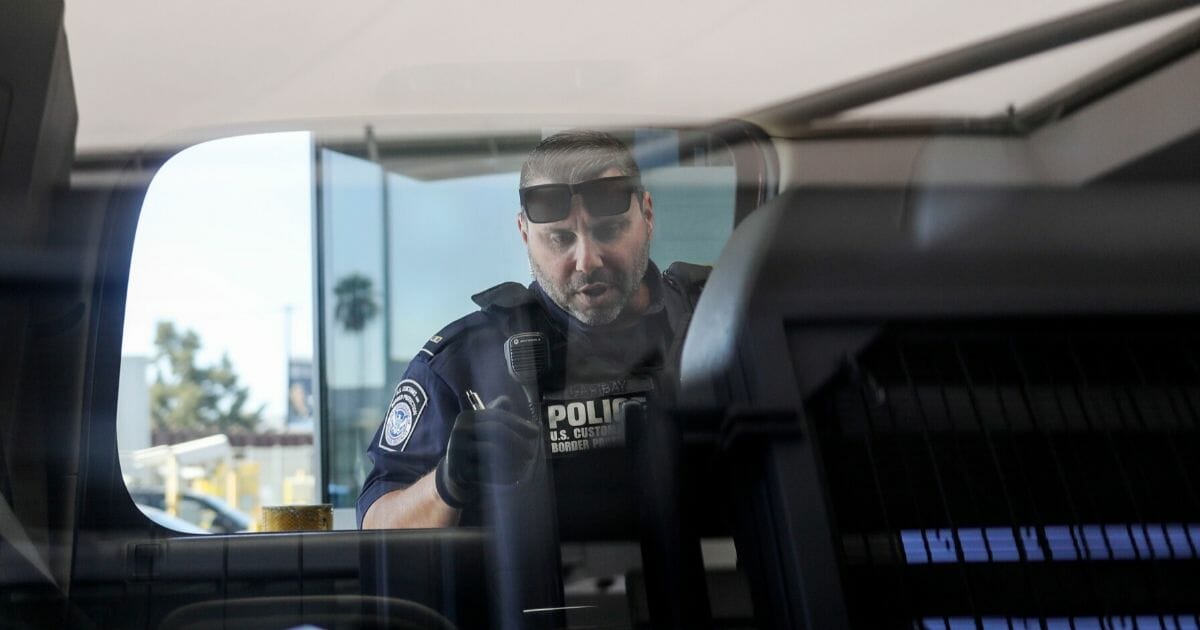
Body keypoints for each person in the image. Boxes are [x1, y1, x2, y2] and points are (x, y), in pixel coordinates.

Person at [357, 130, 708, 530]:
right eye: (560, 238)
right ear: (524, 232)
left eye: (608, 231)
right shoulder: (463, 365)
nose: (586, 261)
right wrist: (446, 483)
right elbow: (375, 528)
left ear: (647, 214)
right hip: (539, 590)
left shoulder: (715, 319)